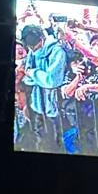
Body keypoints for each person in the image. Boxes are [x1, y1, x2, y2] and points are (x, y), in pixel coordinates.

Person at [20, 24, 68, 153]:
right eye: (31, 48)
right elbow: (27, 76)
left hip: (55, 109)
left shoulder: (57, 51)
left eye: (36, 46)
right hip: (37, 106)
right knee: (40, 143)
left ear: (42, 38)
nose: (34, 50)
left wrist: (33, 73)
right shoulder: (32, 50)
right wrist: (35, 75)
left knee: (57, 146)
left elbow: (52, 80)